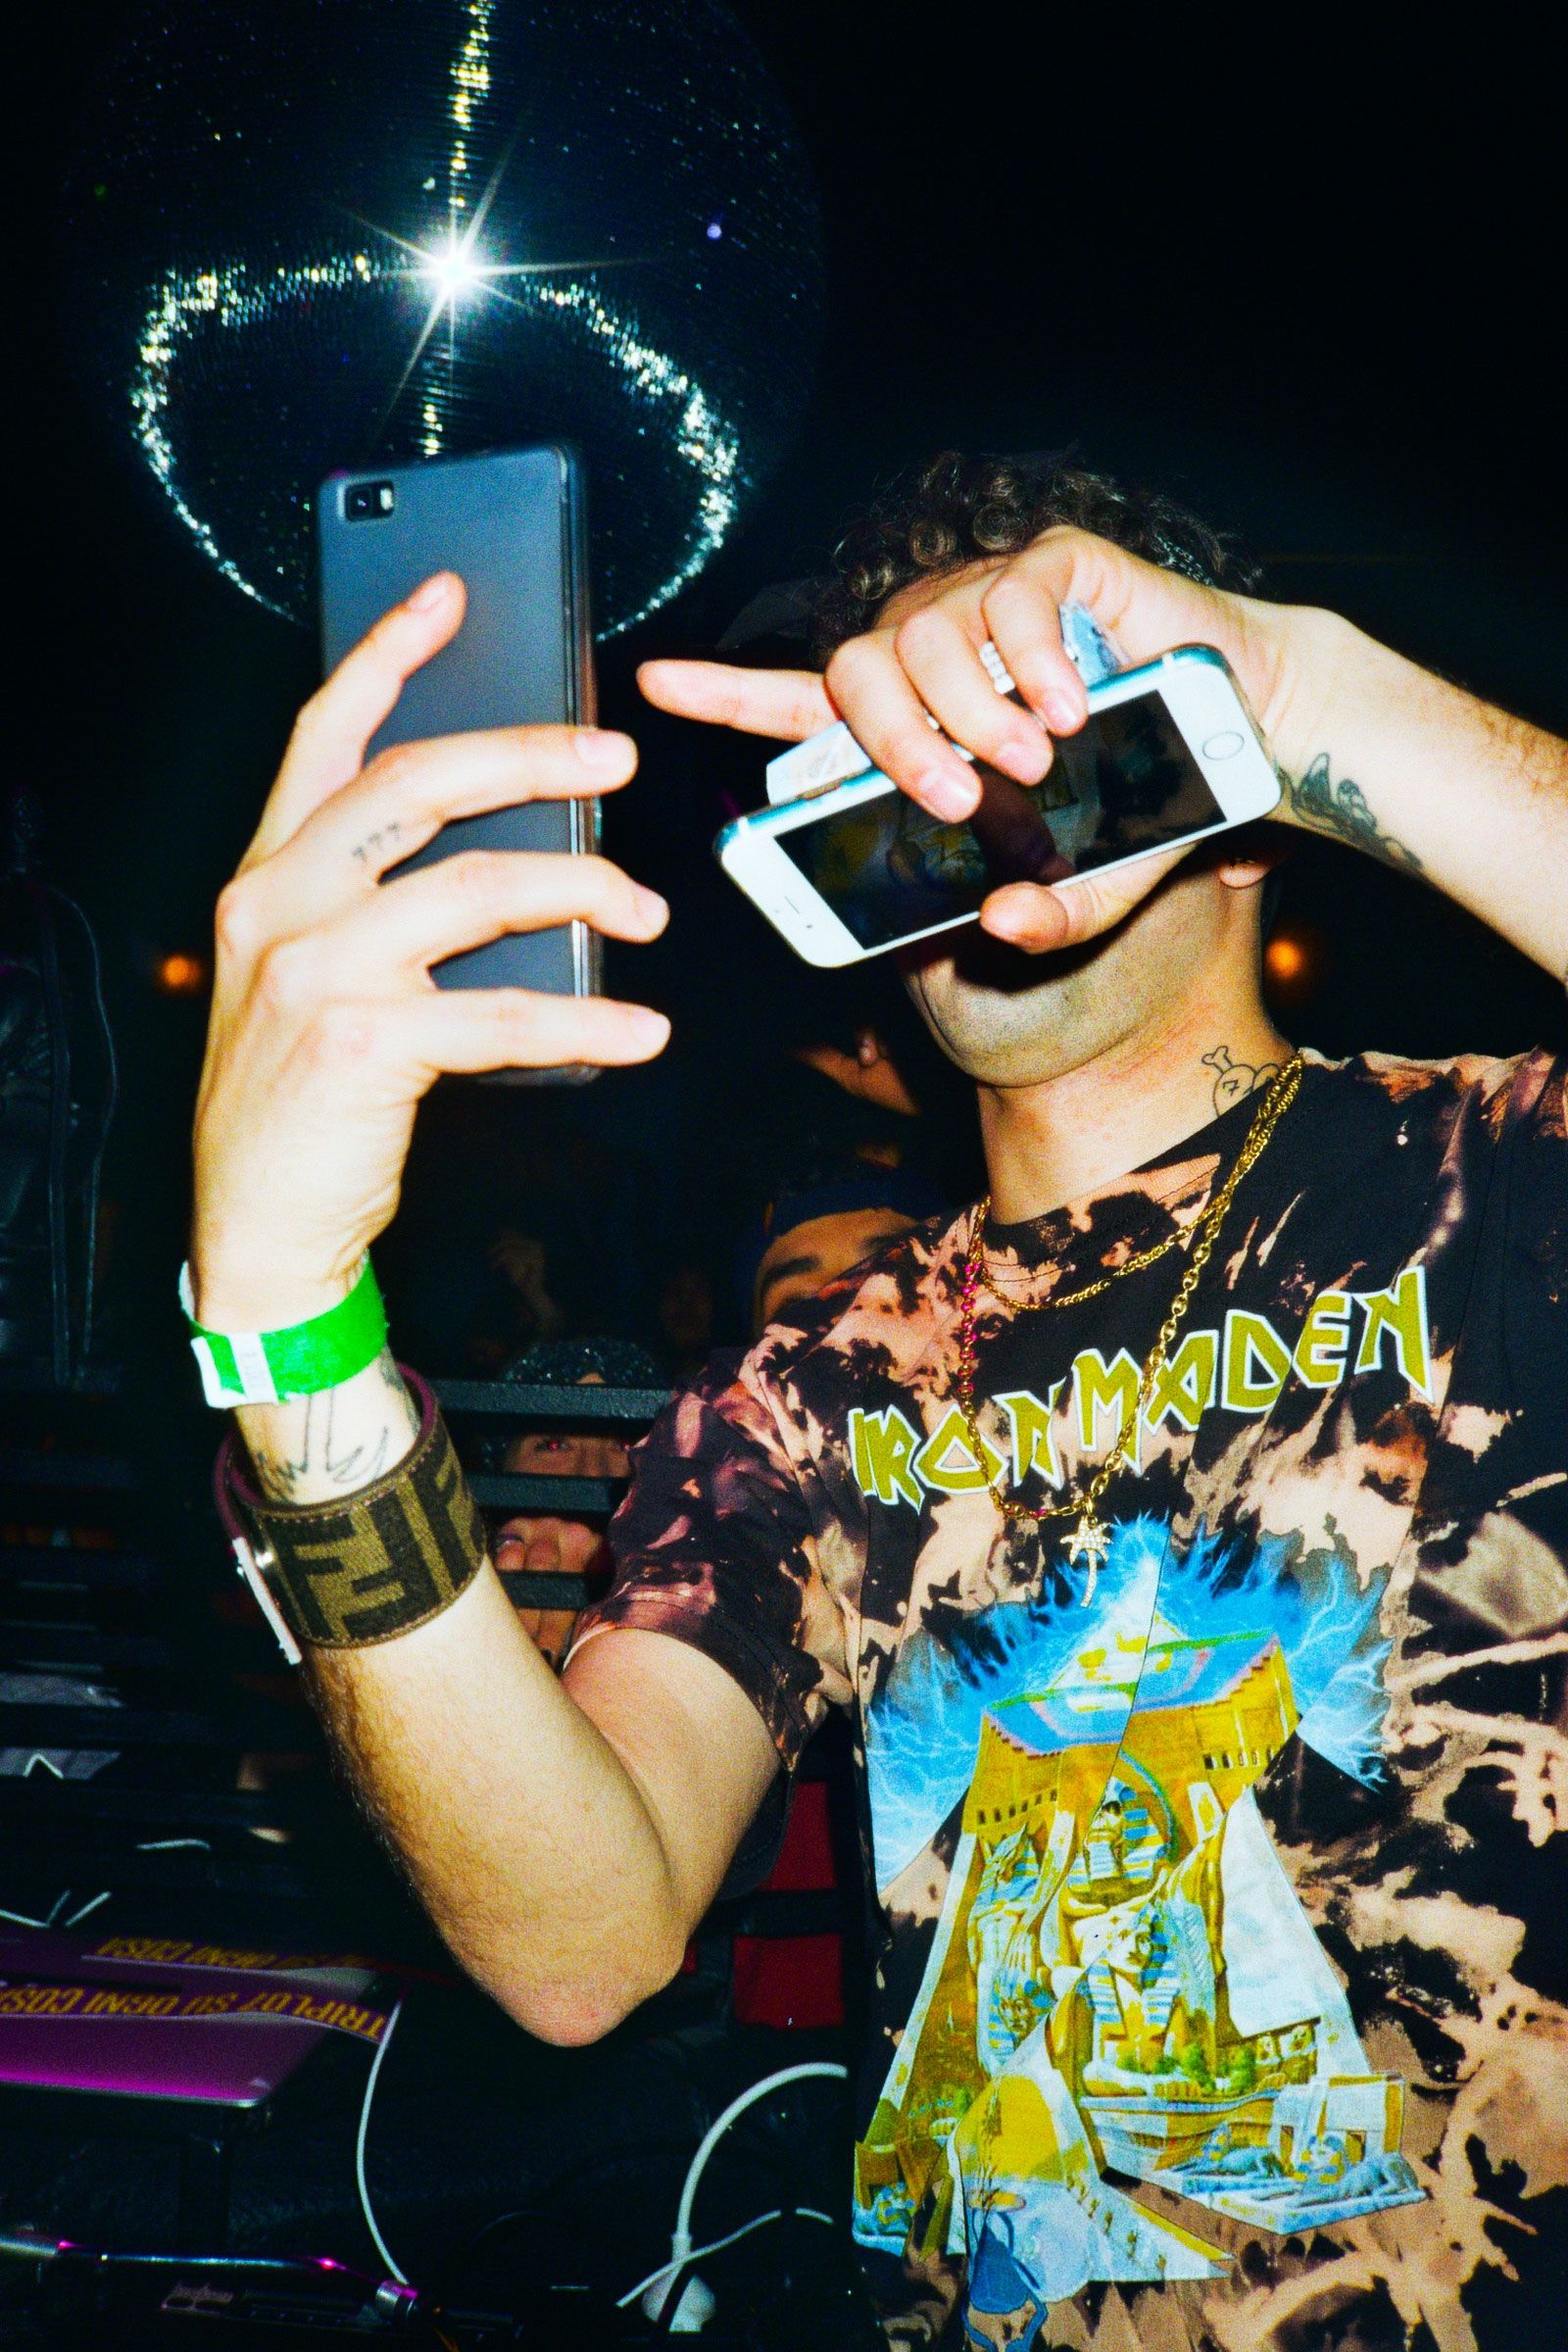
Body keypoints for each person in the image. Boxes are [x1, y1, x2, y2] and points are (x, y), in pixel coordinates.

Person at [190, 453, 1566, 2350]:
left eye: (1027, 721)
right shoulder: (808, 1387)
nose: (964, 787)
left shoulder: (1495, 1181)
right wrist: (291, 1334)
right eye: (893, 760)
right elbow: (577, 1940)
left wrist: (1306, 690)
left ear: (1238, 806)